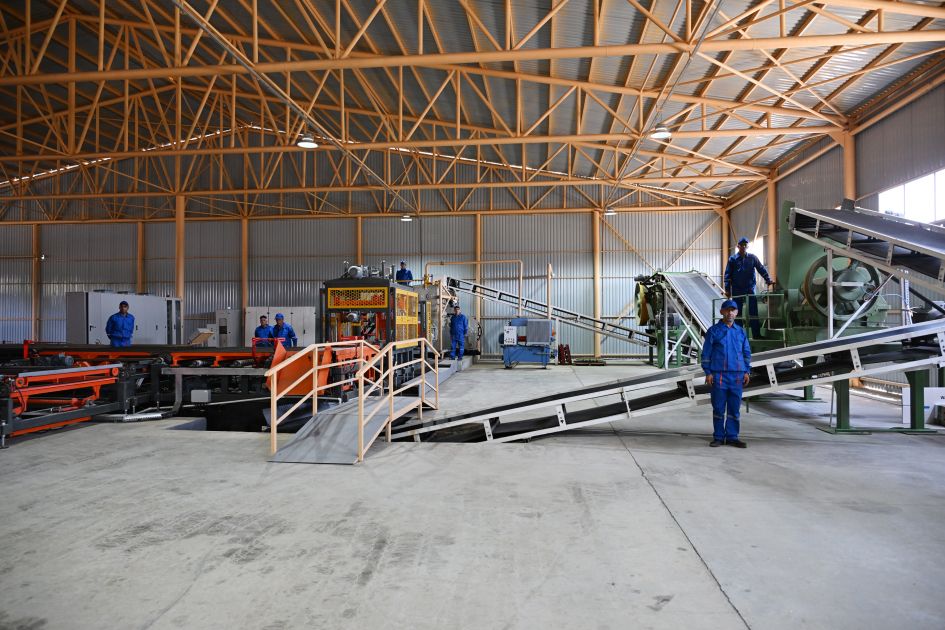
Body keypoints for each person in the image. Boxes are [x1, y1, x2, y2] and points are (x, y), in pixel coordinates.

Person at [701, 299, 752, 448]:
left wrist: (747, 371)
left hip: (737, 375)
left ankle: (732, 437)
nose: (730, 313)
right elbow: (706, 353)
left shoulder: (740, 331)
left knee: (734, 409)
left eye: (733, 310)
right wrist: (708, 372)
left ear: (736, 313)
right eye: (727, 310)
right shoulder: (714, 331)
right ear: (722, 312)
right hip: (719, 375)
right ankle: (718, 437)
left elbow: (746, 352)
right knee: (718, 408)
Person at [724, 237, 775, 339]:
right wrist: (727, 289)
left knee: (753, 312)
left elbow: (761, 268)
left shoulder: (752, 258)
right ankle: (738, 336)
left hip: (750, 288)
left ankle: (756, 335)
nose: (743, 246)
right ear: (738, 246)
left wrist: (768, 279)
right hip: (737, 289)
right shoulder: (732, 259)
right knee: (737, 313)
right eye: (741, 245)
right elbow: (727, 275)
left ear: (747, 246)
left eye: (745, 245)